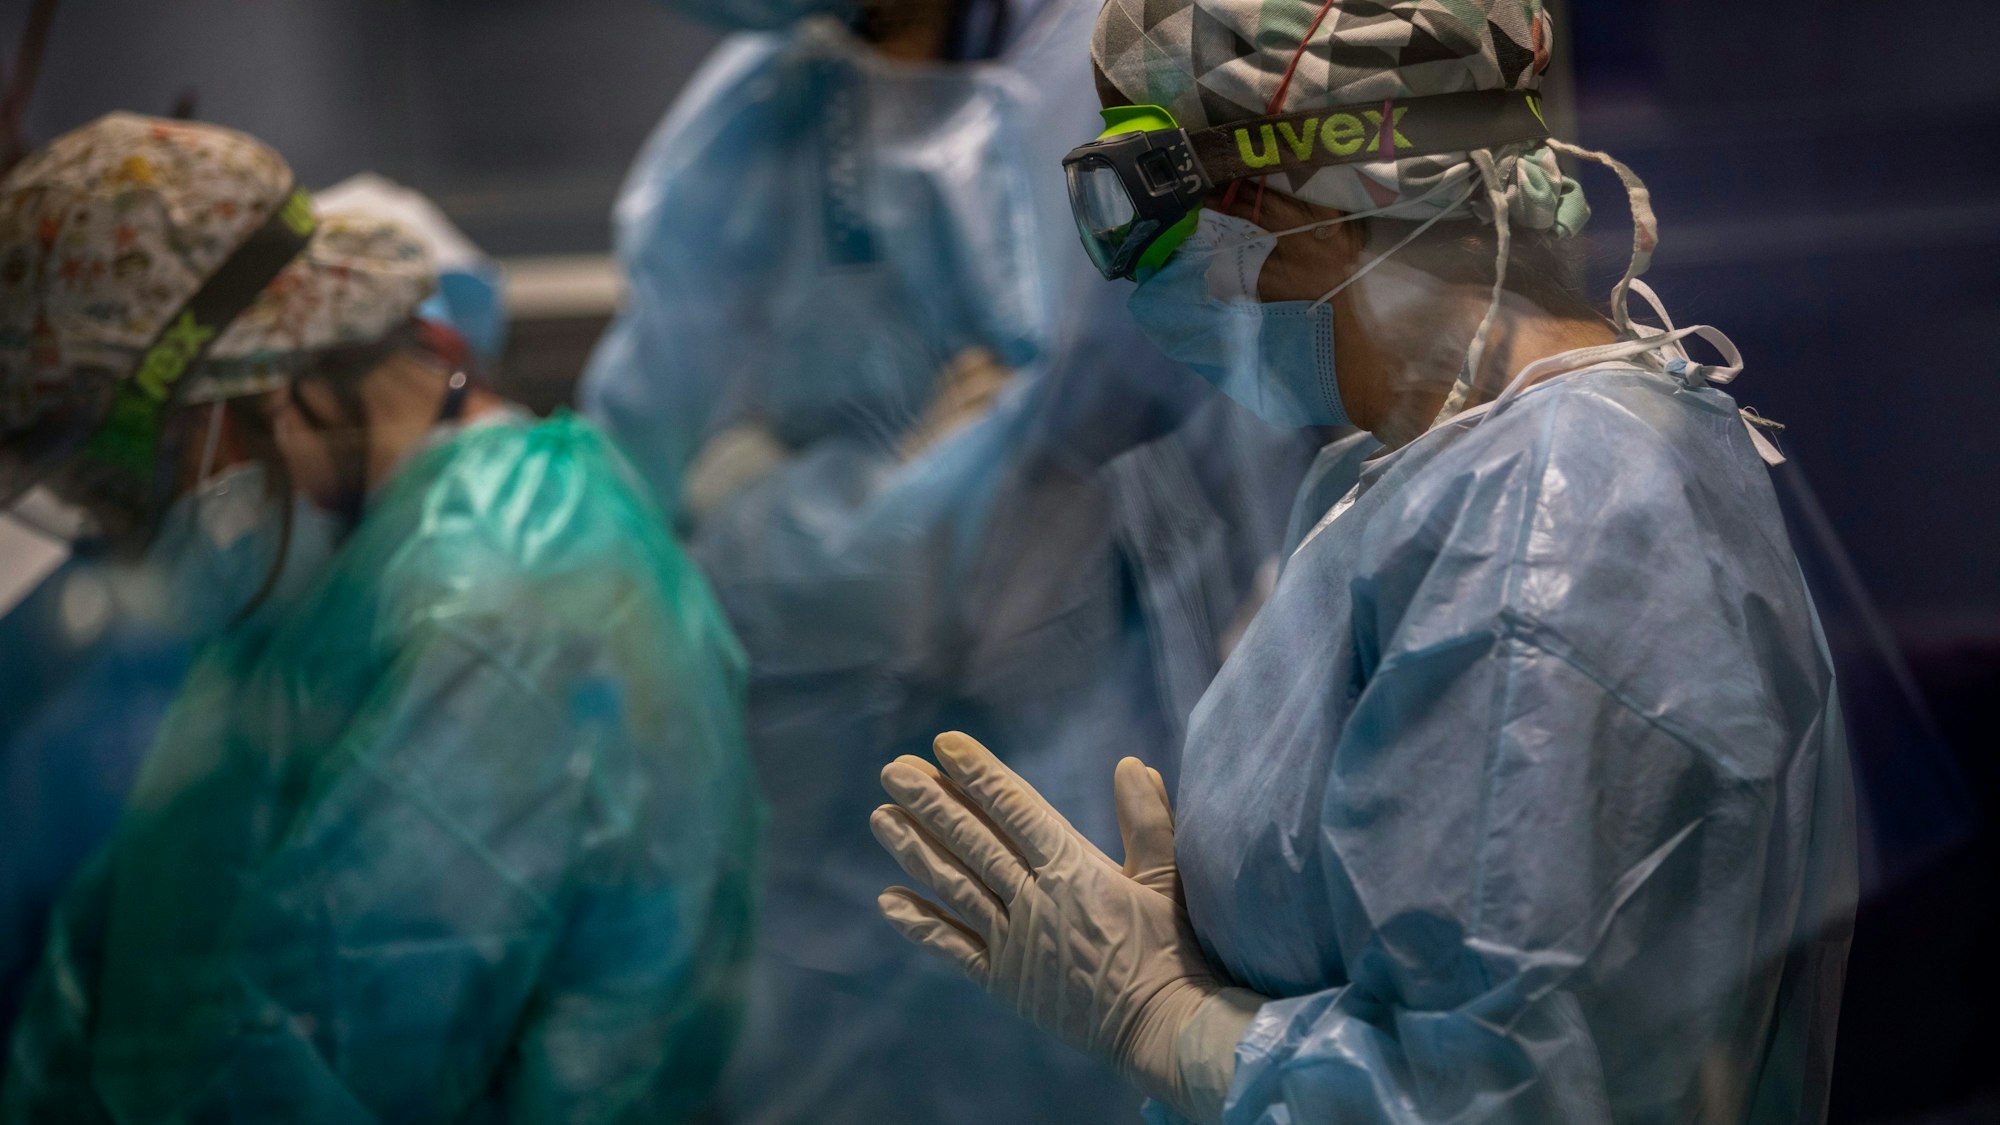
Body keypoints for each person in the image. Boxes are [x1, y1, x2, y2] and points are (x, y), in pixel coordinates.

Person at [869, 2, 1858, 1122]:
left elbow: (1492, 1095)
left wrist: (1159, 1015)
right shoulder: (1431, 477)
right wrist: (1213, 968)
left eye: (1157, 215)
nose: (1155, 280)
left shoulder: (1547, 526)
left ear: (1293, 207)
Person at [580, 0, 1318, 1119]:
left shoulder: (1123, 72)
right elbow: (634, 532)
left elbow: (993, 554)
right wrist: (913, 484)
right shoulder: (740, 127)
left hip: (1093, 785)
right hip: (805, 855)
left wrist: (764, 503)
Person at [0, 113, 760, 1122]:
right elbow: (155, 923)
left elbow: (326, 1051)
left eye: (130, 482)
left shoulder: (504, 600)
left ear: (239, 396)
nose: (128, 533)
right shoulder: (352, 559)